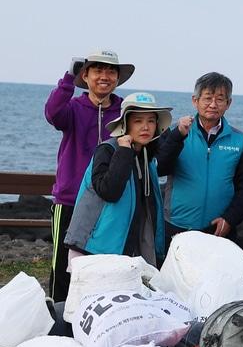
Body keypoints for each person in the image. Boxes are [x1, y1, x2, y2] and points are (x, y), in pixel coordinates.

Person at [45, 50, 132, 301]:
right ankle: (59, 320)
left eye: (111, 71)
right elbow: (52, 113)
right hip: (71, 200)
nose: (105, 76)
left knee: (104, 268)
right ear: (86, 75)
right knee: (63, 266)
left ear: (117, 77)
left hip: (109, 203)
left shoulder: (124, 110)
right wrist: (67, 79)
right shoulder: (73, 108)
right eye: (98, 70)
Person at [64, 92, 170, 267]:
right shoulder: (107, 150)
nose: (146, 127)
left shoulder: (145, 156)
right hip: (94, 248)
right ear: (125, 124)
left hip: (124, 247)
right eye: (138, 121)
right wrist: (124, 151)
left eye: (151, 121)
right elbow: (109, 191)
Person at [156, 71, 243, 242]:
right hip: (177, 225)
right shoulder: (176, 132)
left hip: (218, 228)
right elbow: (160, 168)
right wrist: (178, 137)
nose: (213, 104)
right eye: (207, 98)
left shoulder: (239, 139)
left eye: (220, 99)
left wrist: (231, 219)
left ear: (228, 103)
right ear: (195, 101)